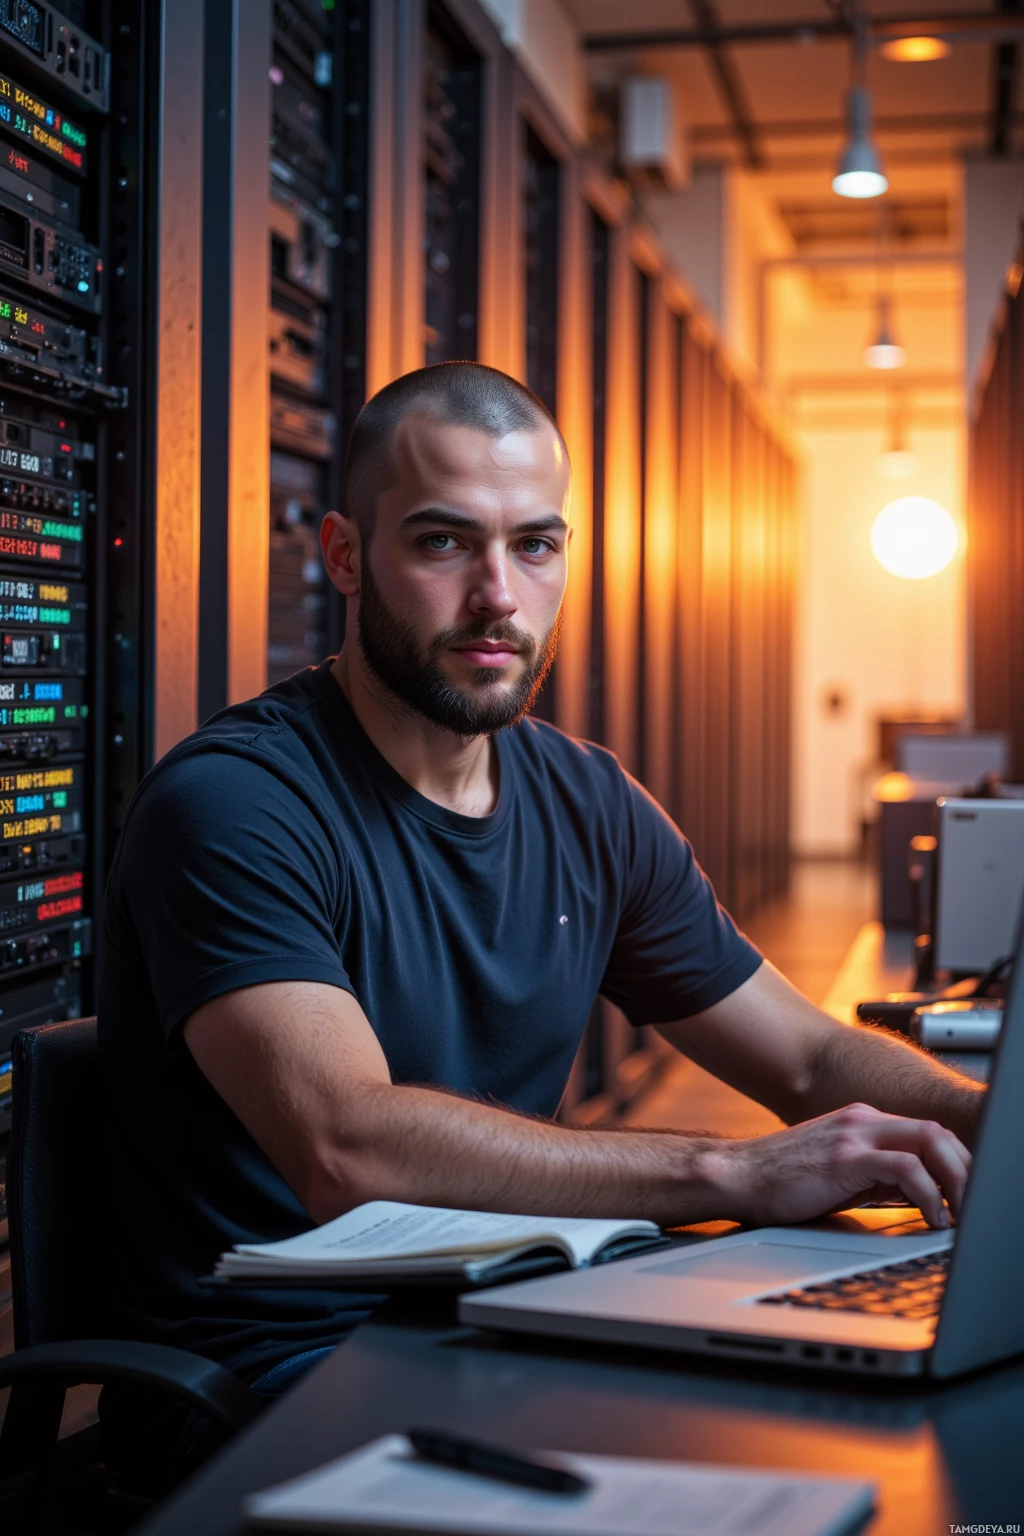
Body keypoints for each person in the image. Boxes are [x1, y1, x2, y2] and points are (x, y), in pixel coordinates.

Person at [98, 362, 982, 1481]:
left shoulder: (587, 799)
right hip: (278, 1386)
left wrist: (987, 1130)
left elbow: (806, 1056)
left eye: (534, 545)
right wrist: (734, 1174)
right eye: (441, 543)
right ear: (341, 556)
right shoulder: (236, 803)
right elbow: (347, 1144)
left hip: (511, 1324)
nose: (498, 598)